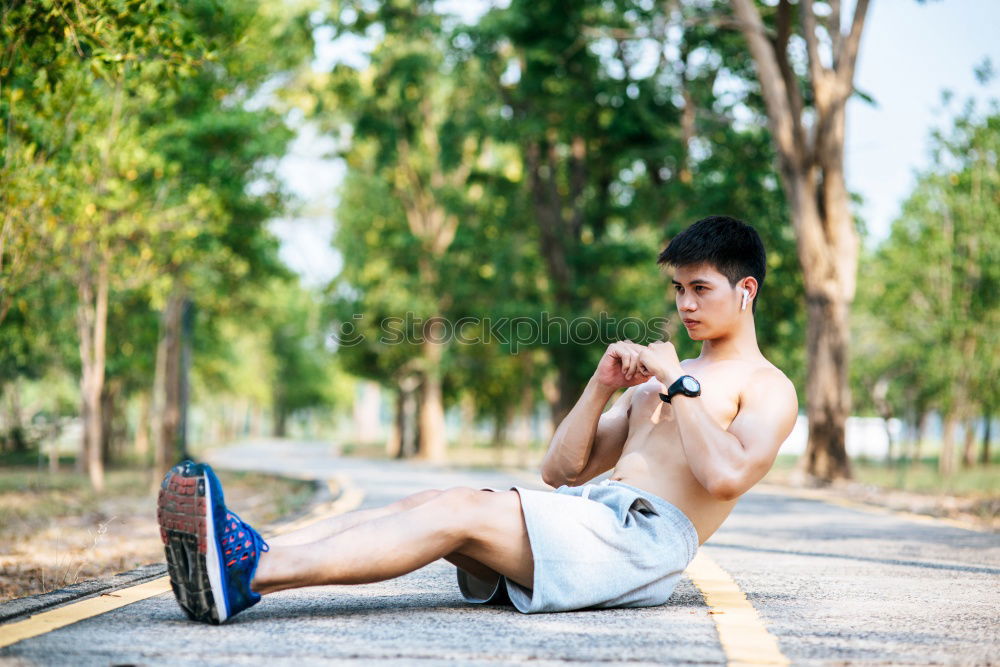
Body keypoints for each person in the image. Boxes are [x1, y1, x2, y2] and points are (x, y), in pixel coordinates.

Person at [157, 215, 799, 624]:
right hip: (596, 514)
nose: (685, 303)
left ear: (746, 290)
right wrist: (602, 387)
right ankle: (247, 552)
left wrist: (676, 383)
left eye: (701, 289)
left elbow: (726, 477)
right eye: (678, 290)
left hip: (643, 542)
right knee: (438, 499)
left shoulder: (765, 386)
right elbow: (561, 470)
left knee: (460, 509)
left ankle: (250, 575)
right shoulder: (665, 378)